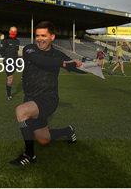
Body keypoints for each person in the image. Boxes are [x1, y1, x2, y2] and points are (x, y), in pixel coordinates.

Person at [9, 21, 82, 167]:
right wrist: (62, 63)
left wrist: (88, 66)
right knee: (43, 139)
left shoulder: (58, 54)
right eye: (37, 35)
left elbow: (74, 67)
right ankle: (68, 131)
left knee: (21, 111)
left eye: (43, 35)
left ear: (52, 37)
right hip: (30, 98)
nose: (39, 39)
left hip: (48, 99)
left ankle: (29, 155)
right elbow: (40, 60)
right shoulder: (30, 49)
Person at [0, 26, 20, 100]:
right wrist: (5, 57)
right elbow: (1, 50)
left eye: (15, 31)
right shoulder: (5, 40)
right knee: (10, 78)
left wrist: (18, 60)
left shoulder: (17, 41)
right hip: (8, 62)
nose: (13, 33)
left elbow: (16, 51)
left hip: (16, 61)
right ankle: (9, 95)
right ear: (9, 32)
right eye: (12, 31)